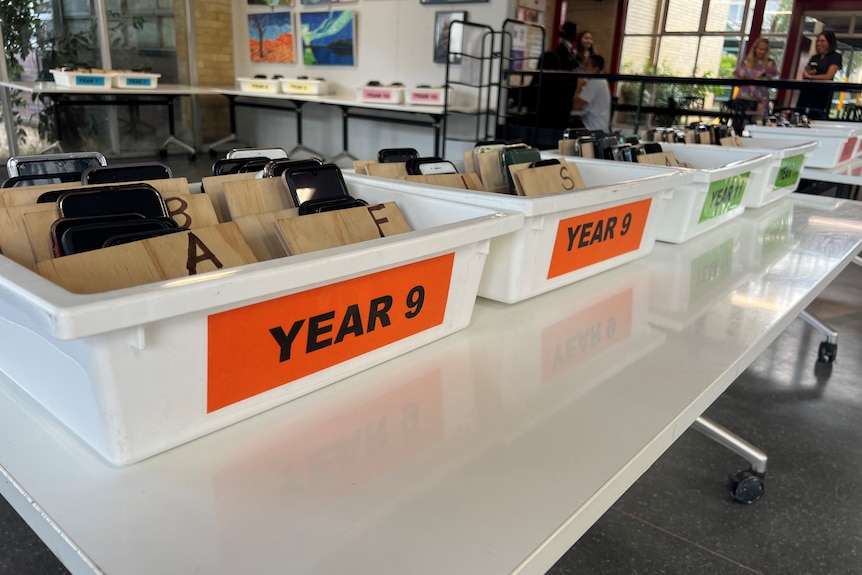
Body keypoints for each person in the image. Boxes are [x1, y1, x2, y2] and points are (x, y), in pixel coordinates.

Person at [797, 31, 842, 119]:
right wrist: (808, 74)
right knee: (801, 114)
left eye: (822, 41)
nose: (819, 43)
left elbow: (828, 76)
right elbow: (806, 72)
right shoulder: (815, 57)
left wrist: (811, 77)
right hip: (807, 91)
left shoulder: (835, 57)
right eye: (818, 41)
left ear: (830, 42)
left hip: (822, 93)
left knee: (816, 116)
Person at [732, 37, 778, 120]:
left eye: (765, 50)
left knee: (759, 119)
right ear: (755, 49)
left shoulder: (770, 63)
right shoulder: (746, 62)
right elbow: (737, 75)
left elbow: (774, 76)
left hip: (761, 95)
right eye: (760, 49)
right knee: (742, 118)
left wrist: (766, 75)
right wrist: (749, 77)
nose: (762, 52)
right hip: (746, 94)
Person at [573, 54, 611, 132]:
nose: (583, 68)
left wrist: (579, 85)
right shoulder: (600, 81)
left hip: (592, 126)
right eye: (582, 64)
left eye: (586, 65)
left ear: (596, 68)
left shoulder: (596, 82)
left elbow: (576, 105)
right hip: (596, 124)